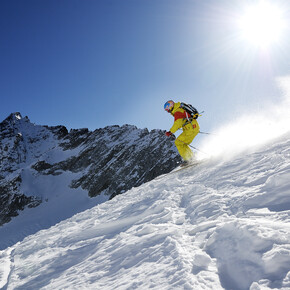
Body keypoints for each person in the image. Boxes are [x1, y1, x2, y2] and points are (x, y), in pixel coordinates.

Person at [164, 100, 199, 165]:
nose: (168, 111)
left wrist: (170, 132)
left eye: (167, 109)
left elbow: (177, 123)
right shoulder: (180, 109)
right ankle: (192, 158)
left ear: (171, 106)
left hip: (190, 129)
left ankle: (189, 159)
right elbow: (181, 121)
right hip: (192, 127)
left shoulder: (177, 111)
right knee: (183, 143)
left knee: (178, 142)